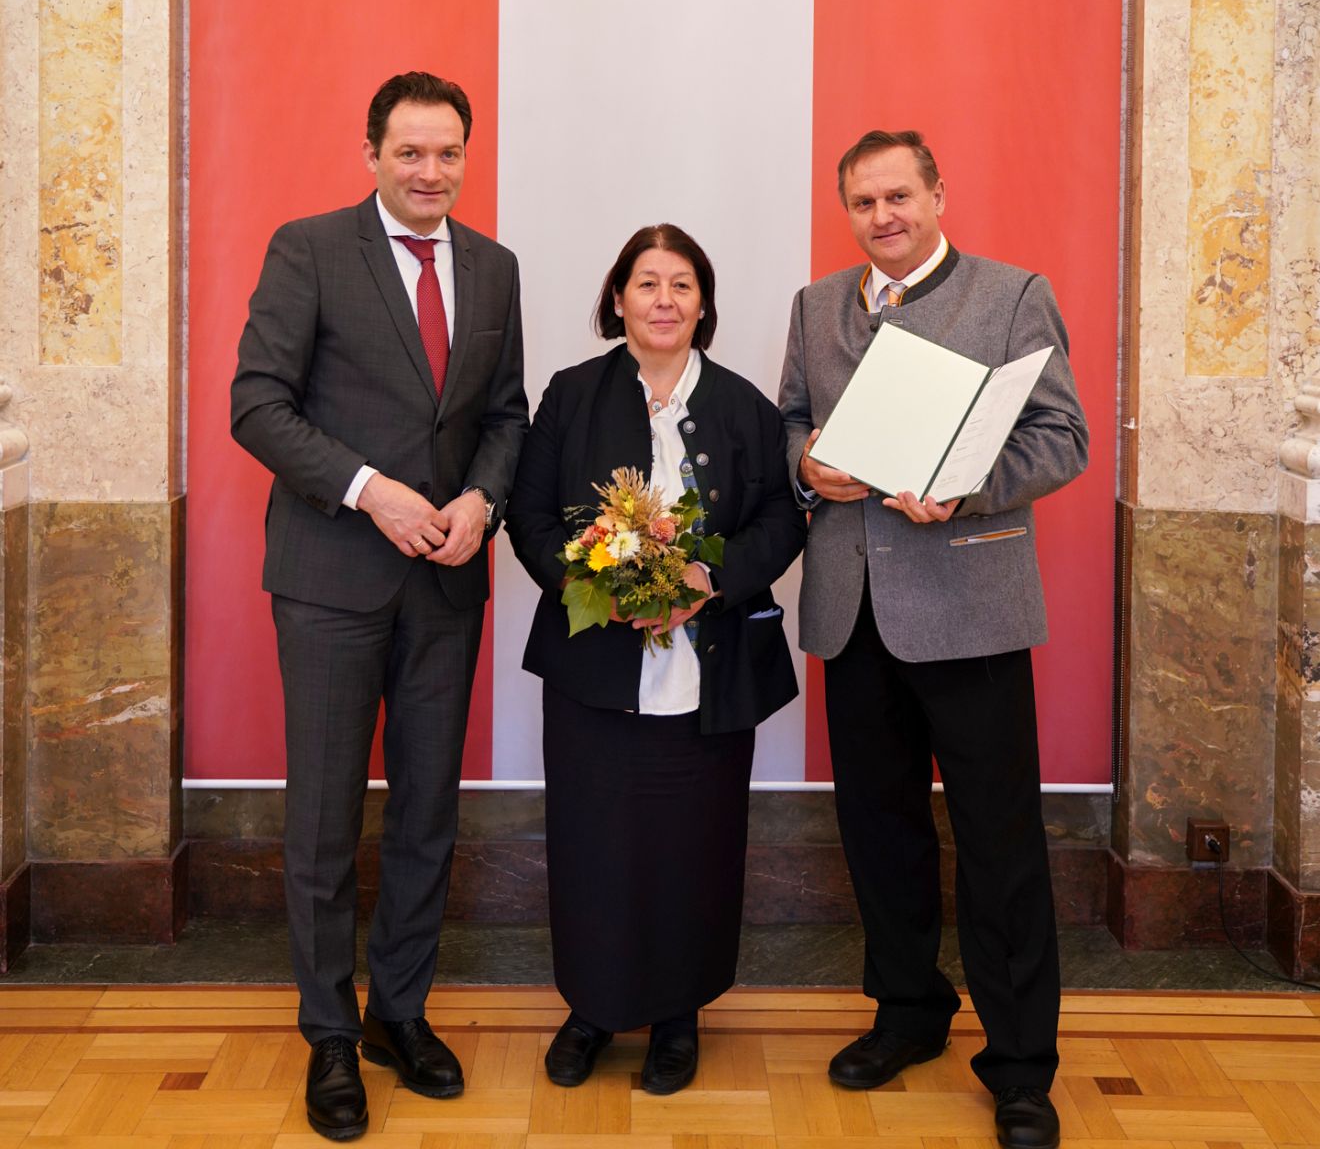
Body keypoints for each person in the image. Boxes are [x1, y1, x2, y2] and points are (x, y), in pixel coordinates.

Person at [231, 71, 527, 1142]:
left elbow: (505, 414)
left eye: (448, 152)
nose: (430, 171)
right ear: (371, 155)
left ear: (465, 156)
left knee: (426, 810)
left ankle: (399, 1010)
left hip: (446, 581)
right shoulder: (309, 249)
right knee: (322, 818)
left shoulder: (493, 266)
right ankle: (328, 1033)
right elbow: (256, 405)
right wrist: (371, 490)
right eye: (410, 151)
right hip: (330, 579)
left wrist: (484, 500)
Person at [779, 130, 1087, 1149]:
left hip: (972, 610)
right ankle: (908, 1010)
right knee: (880, 830)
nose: (884, 216)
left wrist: (968, 488)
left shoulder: (1013, 294)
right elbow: (791, 421)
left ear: (938, 193)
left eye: (899, 196)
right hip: (852, 610)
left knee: (1000, 842)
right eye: (864, 202)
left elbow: (1062, 437)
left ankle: (1021, 1066)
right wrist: (805, 464)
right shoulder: (817, 305)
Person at [507, 225, 805, 1096]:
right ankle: (593, 1009)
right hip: (595, 674)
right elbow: (529, 517)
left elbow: (782, 522)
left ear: (703, 304)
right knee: (592, 845)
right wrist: (592, 585)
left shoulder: (743, 406)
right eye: (647, 283)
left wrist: (710, 578)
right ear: (619, 300)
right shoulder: (571, 395)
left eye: (682, 284)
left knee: (694, 850)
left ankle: (678, 1015)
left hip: (711, 680)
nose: (664, 299)